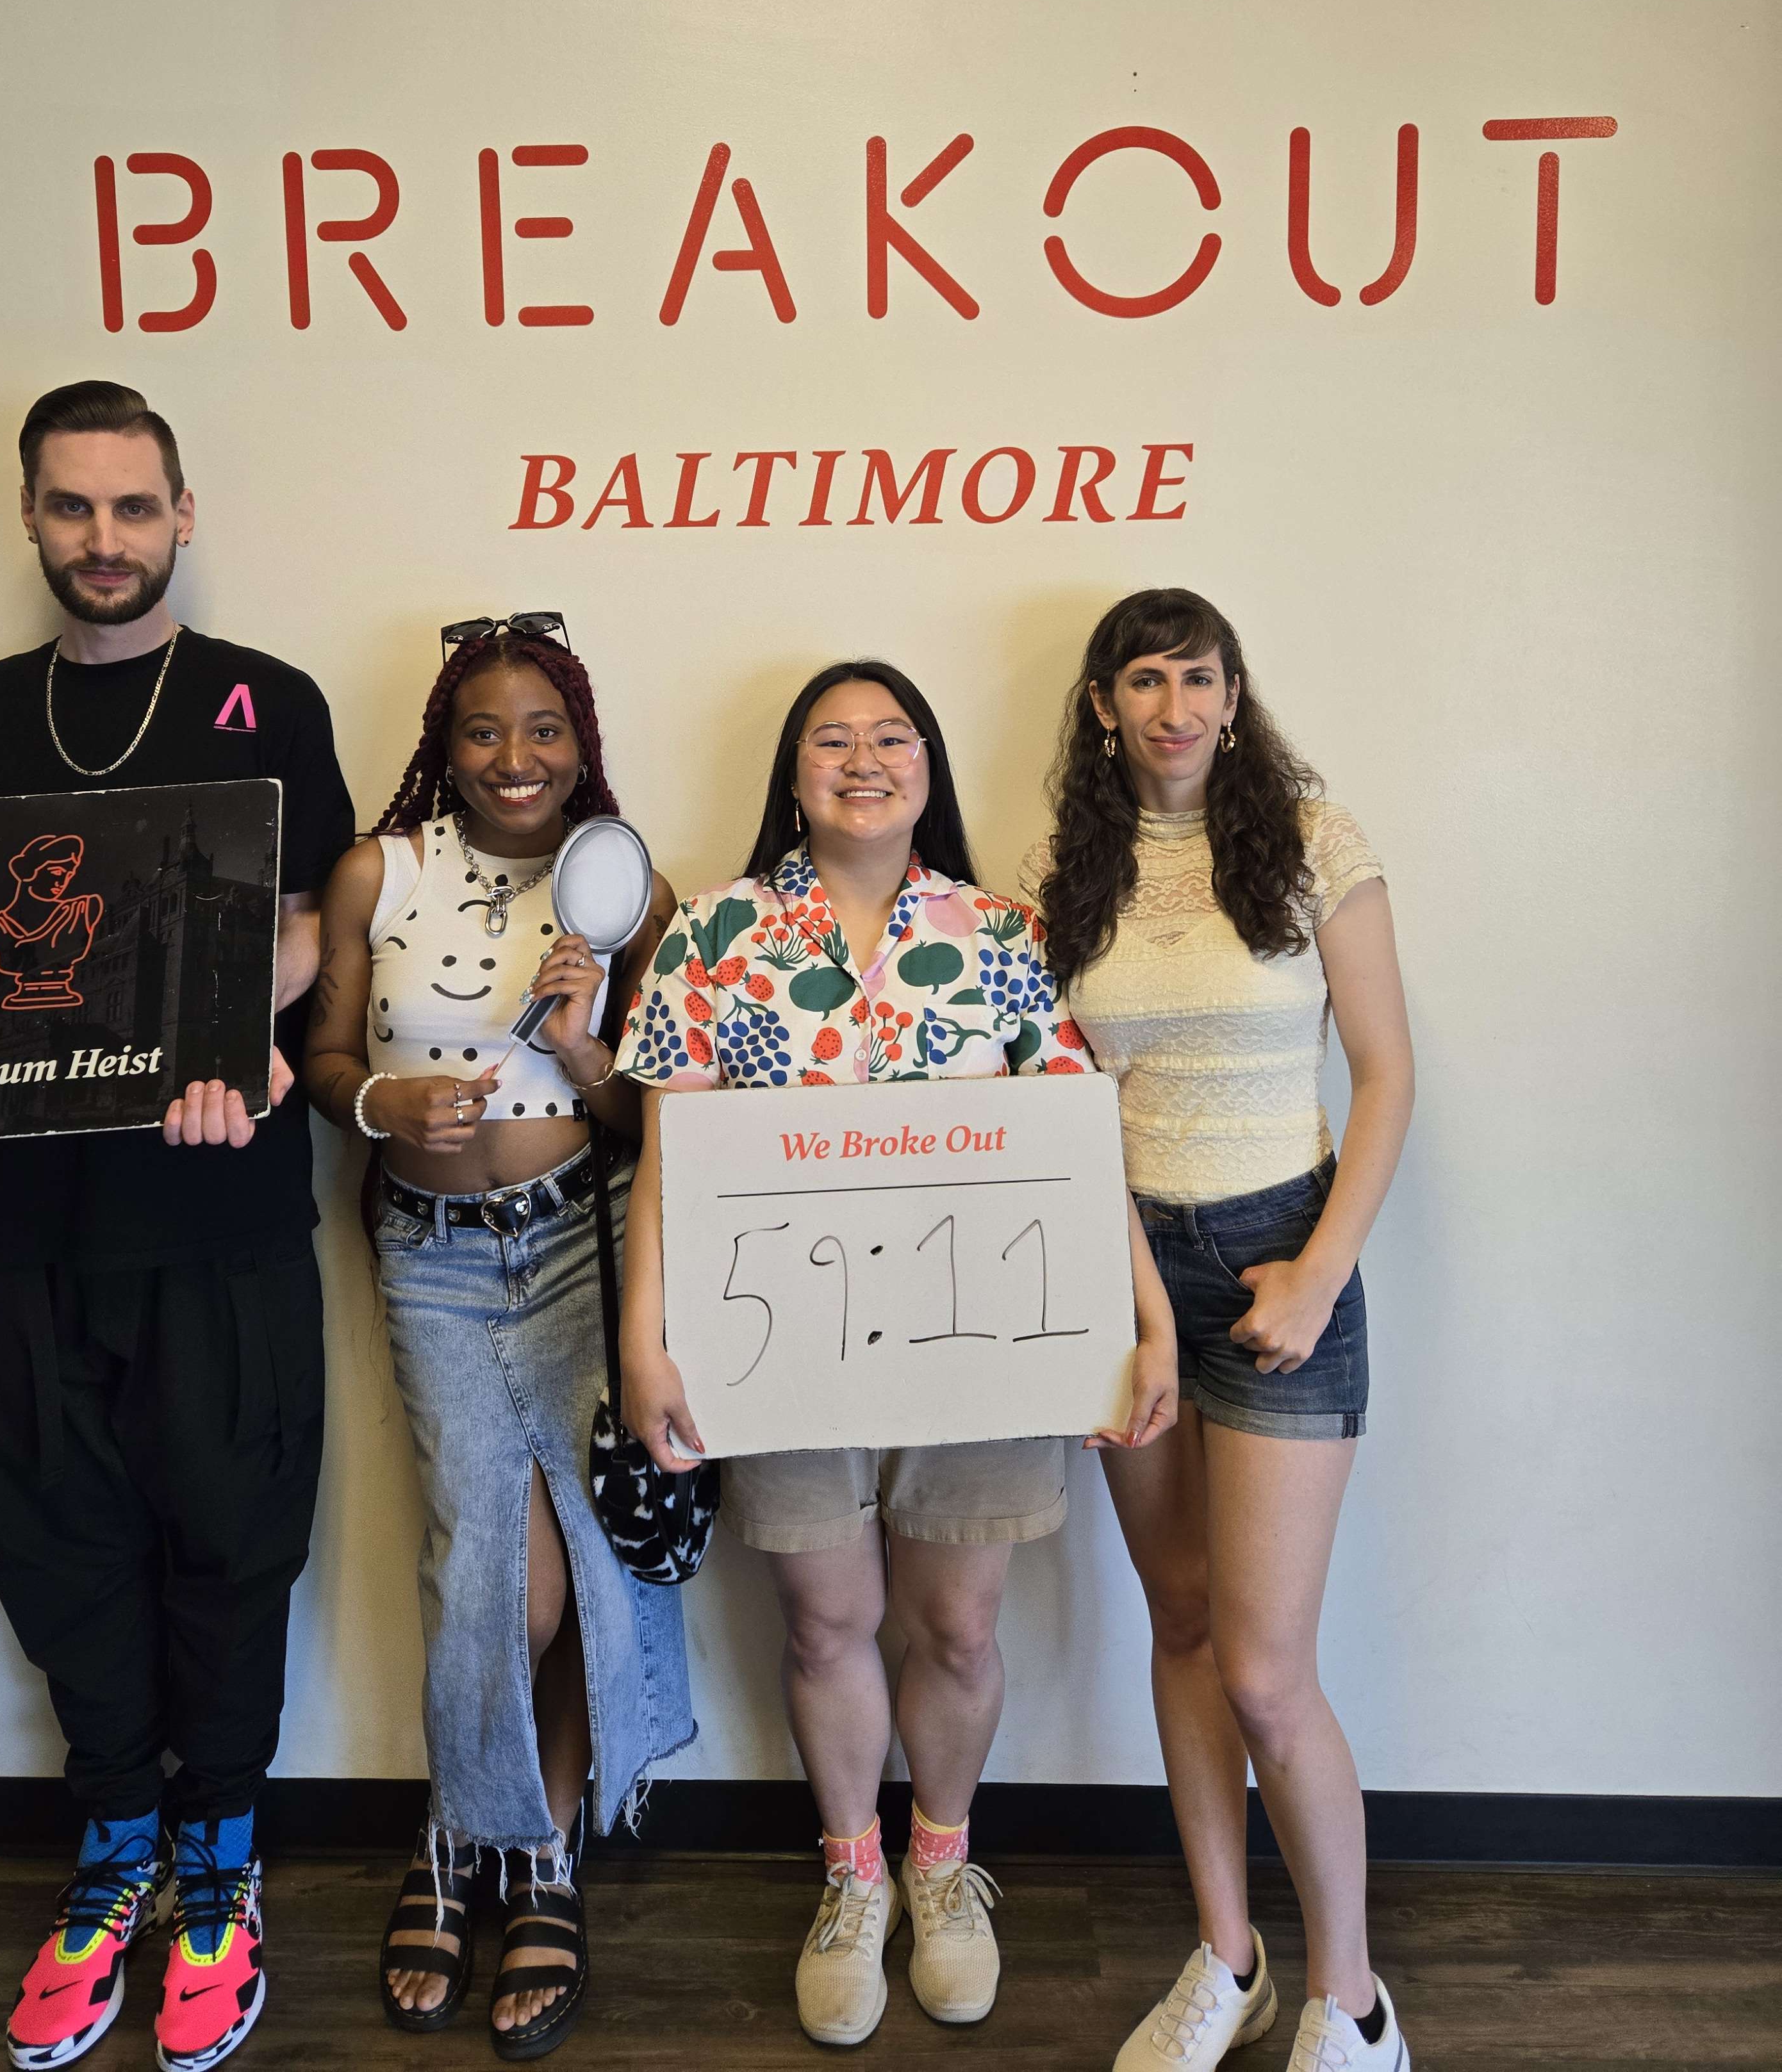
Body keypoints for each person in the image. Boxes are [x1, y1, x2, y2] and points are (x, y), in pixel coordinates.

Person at [0, 381, 354, 2072]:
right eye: (71, 509)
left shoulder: (266, 701)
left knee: (232, 1546)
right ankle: (115, 1849)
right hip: (28, 1227)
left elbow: (308, 930)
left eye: (132, 508)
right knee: (54, 1547)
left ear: (182, 513)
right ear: (31, 520)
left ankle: (218, 1863)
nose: (103, 541)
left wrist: (231, 1034)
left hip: (220, 1212)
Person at [615, 660, 1180, 2049]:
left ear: (927, 761)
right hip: (776, 1342)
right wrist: (642, 1338)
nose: (862, 758)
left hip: (979, 1340)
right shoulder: (718, 932)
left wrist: (1144, 1311)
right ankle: (850, 1874)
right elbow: (666, 1162)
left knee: (963, 1621)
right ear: (791, 770)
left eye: (891, 735)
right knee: (823, 1618)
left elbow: (1074, 1142)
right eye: (831, 738)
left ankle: (940, 1856)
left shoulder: (1005, 932)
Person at [1033, 589, 1415, 2072]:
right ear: (1103, 706)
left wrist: (1317, 1273)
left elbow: (1382, 1077)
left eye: (1202, 676)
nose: (1178, 703)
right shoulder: (1066, 868)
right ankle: (1229, 1957)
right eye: (1147, 677)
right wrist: (1136, 1309)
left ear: (1235, 696)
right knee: (1180, 1622)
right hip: (1129, 1274)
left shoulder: (1318, 841)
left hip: (1281, 1262)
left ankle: (1355, 1996)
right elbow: (1071, 1110)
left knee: (1268, 1666)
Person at [303, 616, 692, 2059]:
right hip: (438, 1261)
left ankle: (533, 1853)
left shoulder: (626, 888)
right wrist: (377, 1107)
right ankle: (472, 1823)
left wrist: (591, 1051)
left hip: (583, 1247)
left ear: (579, 738)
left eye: (543, 728)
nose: (515, 755)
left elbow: (662, 1122)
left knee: (589, 1558)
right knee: (491, 1571)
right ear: (444, 741)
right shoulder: (377, 870)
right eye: (484, 728)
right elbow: (325, 1061)